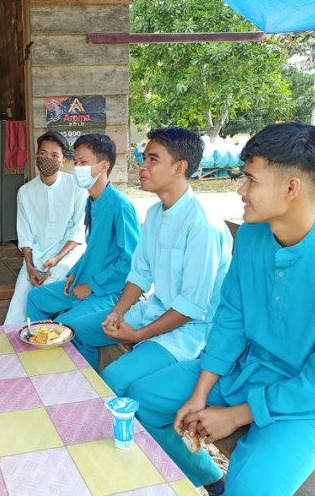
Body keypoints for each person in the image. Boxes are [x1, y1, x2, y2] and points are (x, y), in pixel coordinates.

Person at [129, 123, 315, 496]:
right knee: (141, 403)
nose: (240, 190)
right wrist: (201, 392)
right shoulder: (252, 235)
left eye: (251, 180)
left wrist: (236, 416)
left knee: (251, 489)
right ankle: (208, 479)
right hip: (240, 372)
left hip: (304, 404)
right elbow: (231, 318)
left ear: (291, 187)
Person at [67, 127, 233, 380]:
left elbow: (191, 306)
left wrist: (138, 335)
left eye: (153, 159)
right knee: (75, 332)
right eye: (144, 158)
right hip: (152, 312)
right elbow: (140, 273)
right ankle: (83, 392)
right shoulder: (155, 213)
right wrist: (117, 313)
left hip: (191, 330)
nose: (143, 166)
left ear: (179, 167)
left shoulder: (203, 226)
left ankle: (106, 405)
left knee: (115, 377)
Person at [26, 133, 140, 329]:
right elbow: (93, 248)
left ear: (104, 166)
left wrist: (91, 287)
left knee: (65, 327)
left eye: (84, 162)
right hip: (85, 279)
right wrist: (75, 272)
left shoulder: (120, 206)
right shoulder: (91, 201)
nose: (77, 168)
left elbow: (130, 261)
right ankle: (39, 346)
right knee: (36, 297)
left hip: (109, 290)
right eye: (76, 162)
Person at [4, 130, 87, 324]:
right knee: (19, 301)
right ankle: (15, 343)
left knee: (48, 286)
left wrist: (57, 258)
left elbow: (78, 230)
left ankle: (47, 332)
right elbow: (24, 234)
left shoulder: (76, 187)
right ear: (35, 156)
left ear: (63, 161)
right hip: (37, 256)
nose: (47, 158)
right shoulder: (25, 192)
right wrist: (30, 266)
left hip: (68, 253)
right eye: (42, 153)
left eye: (54, 155)